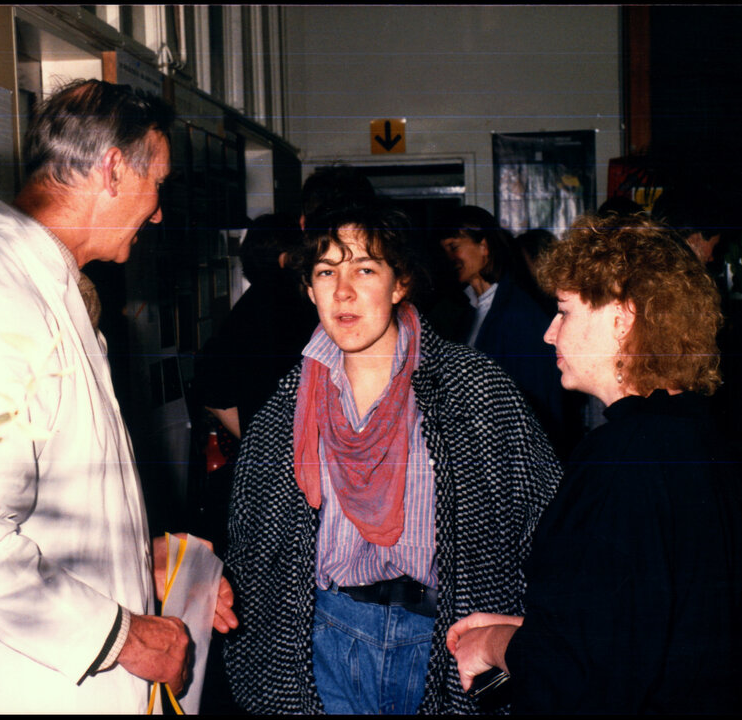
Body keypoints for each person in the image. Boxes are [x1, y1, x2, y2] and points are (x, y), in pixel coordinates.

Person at [0, 79, 236, 714]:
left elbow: (42, 497)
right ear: (112, 169)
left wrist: (140, 562)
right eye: (156, 183)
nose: (158, 212)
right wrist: (123, 635)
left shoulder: (41, 287)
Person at [223, 203, 561, 714]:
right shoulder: (286, 410)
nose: (343, 291)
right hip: (325, 642)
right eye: (325, 272)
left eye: (364, 269)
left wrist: (529, 635)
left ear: (399, 283)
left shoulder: (473, 391)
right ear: (309, 290)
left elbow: (549, 525)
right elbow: (253, 551)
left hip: (445, 642)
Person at [446, 213, 742, 714]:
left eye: (564, 312)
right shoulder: (696, 436)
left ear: (621, 320)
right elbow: (642, 624)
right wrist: (524, 628)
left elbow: (581, 674)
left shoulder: (620, 460)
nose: (549, 334)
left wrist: (494, 645)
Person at [438, 205, 568, 457]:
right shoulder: (469, 312)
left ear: (484, 247)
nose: (449, 258)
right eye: (444, 251)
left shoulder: (519, 313)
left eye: (454, 247)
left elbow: (538, 405)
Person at [198, 213, 318, 441]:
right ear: (286, 259)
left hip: (267, 459)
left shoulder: (243, 311)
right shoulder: (300, 305)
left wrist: (257, 442)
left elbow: (211, 390)